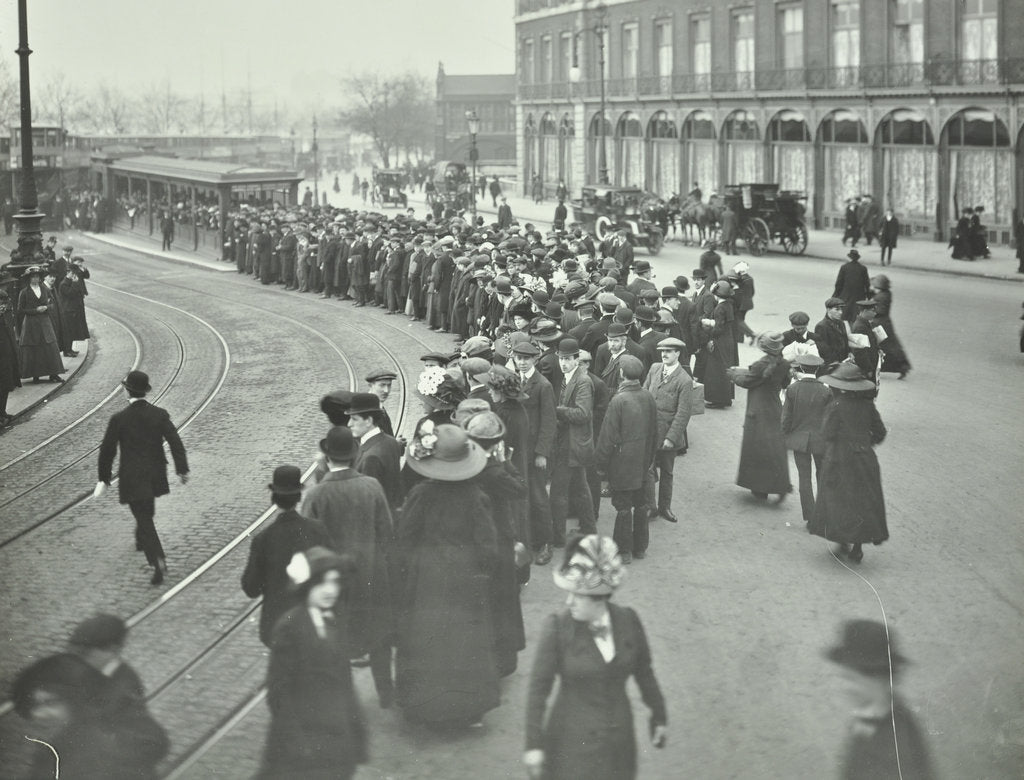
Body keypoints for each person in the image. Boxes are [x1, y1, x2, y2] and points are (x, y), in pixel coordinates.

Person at [524, 535, 667, 780]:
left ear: (599, 597)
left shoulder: (628, 620)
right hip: (571, 748)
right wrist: (534, 746)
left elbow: (645, 673)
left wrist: (659, 715)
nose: (569, 602)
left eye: (578, 595)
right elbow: (538, 689)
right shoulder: (557, 627)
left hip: (618, 745)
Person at [396, 424, 501, 726]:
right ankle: (468, 710)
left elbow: (404, 539)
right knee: (464, 644)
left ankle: (424, 707)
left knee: (427, 642)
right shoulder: (476, 496)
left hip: (426, 581)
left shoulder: (420, 495)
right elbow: (488, 548)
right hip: (465, 581)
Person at [302, 426, 395, 709]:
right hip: (372, 576)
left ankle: (344, 701)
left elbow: (309, 547)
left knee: (338, 641)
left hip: (335, 583)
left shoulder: (316, 495)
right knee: (378, 638)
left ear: (328, 458)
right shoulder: (371, 486)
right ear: (355, 456)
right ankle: (386, 694)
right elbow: (387, 533)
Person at [261, 546, 367, 780]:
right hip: (301, 749)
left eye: (334, 582)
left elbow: (344, 683)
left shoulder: (334, 621)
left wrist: (357, 734)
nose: (330, 590)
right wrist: (301, 744)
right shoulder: (290, 627)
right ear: (306, 586)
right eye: (321, 583)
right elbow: (278, 694)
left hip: (335, 741)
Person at [13, 652, 170, 780]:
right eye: (35, 704)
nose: (38, 714)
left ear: (76, 703)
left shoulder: (108, 758)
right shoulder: (53, 747)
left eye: (51, 703)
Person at [97, 370, 189, 585]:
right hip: (156, 473)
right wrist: (182, 469)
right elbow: (175, 442)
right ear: (145, 391)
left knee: (143, 517)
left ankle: (157, 559)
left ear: (127, 390)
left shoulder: (119, 419)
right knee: (146, 511)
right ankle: (141, 540)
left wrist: (104, 478)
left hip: (132, 475)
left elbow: (107, 451)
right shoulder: (160, 414)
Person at [824, 619, 935, 780]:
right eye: (844, 677)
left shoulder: (896, 743)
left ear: (880, 678)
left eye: (852, 679)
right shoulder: (870, 715)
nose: (845, 687)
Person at [463, 410, 528, 675]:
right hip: (499, 540)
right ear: (497, 443)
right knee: (503, 602)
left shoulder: (468, 466)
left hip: (475, 541)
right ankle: (505, 661)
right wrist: (505, 462)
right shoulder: (495, 472)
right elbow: (520, 487)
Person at [242, 465, 333, 647]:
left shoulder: (263, 539)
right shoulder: (317, 530)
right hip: (312, 623)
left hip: (277, 627)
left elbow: (251, 588)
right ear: (299, 497)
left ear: (274, 498)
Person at [808, 363, 888, 563]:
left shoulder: (836, 405)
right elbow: (880, 432)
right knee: (862, 501)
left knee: (839, 500)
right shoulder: (868, 405)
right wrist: (864, 443)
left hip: (840, 459)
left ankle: (843, 540)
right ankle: (858, 547)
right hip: (865, 459)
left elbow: (827, 432)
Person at [595, 356, 658, 563]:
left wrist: (600, 465)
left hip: (622, 464)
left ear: (621, 374)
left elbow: (607, 437)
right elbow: (654, 432)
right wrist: (649, 460)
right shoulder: (648, 396)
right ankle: (640, 547)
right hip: (642, 463)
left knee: (623, 507)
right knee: (640, 504)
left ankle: (623, 551)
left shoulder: (619, 400)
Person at [727, 332, 792, 501]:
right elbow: (784, 382)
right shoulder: (784, 363)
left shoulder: (760, 364)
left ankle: (759, 487)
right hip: (774, 407)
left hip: (757, 408)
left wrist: (733, 375)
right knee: (775, 447)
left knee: (755, 448)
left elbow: (747, 382)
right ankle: (780, 484)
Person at [512, 339, 557, 566]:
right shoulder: (513, 381)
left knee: (539, 497)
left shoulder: (543, 385)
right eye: (518, 358)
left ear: (534, 360)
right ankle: (528, 538)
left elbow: (549, 422)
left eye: (526, 359)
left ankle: (546, 543)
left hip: (535, 452)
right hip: (519, 451)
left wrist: (542, 453)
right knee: (523, 495)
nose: (521, 362)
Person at [550, 338, 598, 543]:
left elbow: (583, 413)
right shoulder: (569, 377)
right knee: (580, 488)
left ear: (577, 359)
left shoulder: (582, 381)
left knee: (558, 492)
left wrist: (557, 411)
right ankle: (589, 529)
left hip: (572, 444)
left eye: (568, 359)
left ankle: (558, 536)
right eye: (561, 358)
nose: (563, 363)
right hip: (574, 443)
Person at [642, 337, 693, 522]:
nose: (664, 354)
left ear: (678, 353)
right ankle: (651, 506)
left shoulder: (684, 380)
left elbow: (683, 413)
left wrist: (671, 437)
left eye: (669, 351)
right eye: (662, 351)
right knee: (646, 469)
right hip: (649, 431)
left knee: (667, 472)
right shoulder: (655, 368)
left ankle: (665, 508)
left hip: (668, 434)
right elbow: (643, 393)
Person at [781, 354, 831, 523]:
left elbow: (786, 418)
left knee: (804, 477)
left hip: (799, 440)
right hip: (820, 440)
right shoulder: (826, 390)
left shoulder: (793, 389)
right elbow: (829, 418)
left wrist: (783, 437)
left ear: (801, 368)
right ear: (817, 369)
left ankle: (810, 516)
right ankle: (823, 513)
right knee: (822, 475)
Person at [16, 266, 65, 383]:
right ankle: (35, 375)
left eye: (37, 277)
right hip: (31, 324)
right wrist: (35, 310)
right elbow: (20, 309)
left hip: (45, 322)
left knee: (51, 346)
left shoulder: (45, 289)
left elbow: (52, 304)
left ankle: (54, 374)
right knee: (34, 348)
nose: (35, 279)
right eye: (33, 277)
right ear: (29, 279)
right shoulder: (24, 292)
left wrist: (46, 307)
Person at [701, 280, 738, 409]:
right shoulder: (729, 305)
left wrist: (710, 332)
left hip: (720, 341)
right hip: (728, 340)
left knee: (716, 370)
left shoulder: (719, 308)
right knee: (725, 367)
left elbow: (718, 328)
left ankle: (717, 399)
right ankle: (726, 397)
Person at [869, 275, 911, 380]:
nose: (873, 288)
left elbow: (880, 310)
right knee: (890, 346)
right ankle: (902, 367)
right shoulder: (886, 294)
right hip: (884, 324)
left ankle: (873, 368)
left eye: (875, 286)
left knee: (879, 346)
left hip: (880, 325)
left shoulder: (880, 297)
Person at [0, 289, 22, 425]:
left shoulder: (5, 316)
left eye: (3, 304)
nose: (2, 307)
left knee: (6, 385)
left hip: (6, 358)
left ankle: (2, 412)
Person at [833, 249, 871, 322]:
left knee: (844, 317)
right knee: (856, 317)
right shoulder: (863, 268)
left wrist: (836, 295)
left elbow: (839, 283)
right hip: (859, 296)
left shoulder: (844, 267)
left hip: (846, 295)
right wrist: (868, 297)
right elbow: (867, 284)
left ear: (850, 257)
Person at [58, 265, 90, 350]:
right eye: (72, 273)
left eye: (74, 273)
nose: (74, 275)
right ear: (68, 273)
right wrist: (75, 283)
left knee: (72, 332)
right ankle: (67, 350)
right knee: (68, 333)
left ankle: (70, 350)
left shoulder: (71, 282)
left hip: (73, 311)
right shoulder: (64, 284)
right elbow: (71, 294)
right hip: (68, 311)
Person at [815, 297, 850, 367]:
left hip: (844, 361)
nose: (841, 312)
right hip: (832, 364)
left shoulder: (841, 323)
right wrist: (834, 362)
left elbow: (845, 340)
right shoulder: (821, 326)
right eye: (837, 309)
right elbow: (823, 349)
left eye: (841, 309)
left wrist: (849, 352)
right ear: (828, 310)